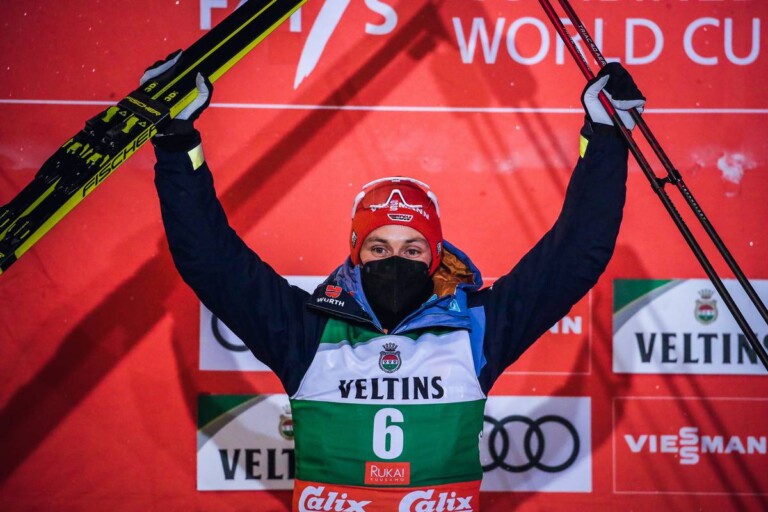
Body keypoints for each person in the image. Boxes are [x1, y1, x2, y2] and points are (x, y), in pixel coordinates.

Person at [146, 55, 644, 510]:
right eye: (379, 248)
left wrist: (604, 137)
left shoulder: (476, 327)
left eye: (412, 249)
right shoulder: (307, 330)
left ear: (435, 257)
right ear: (355, 253)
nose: (394, 260)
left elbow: (574, 256)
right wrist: (176, 143)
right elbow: (210, 259)